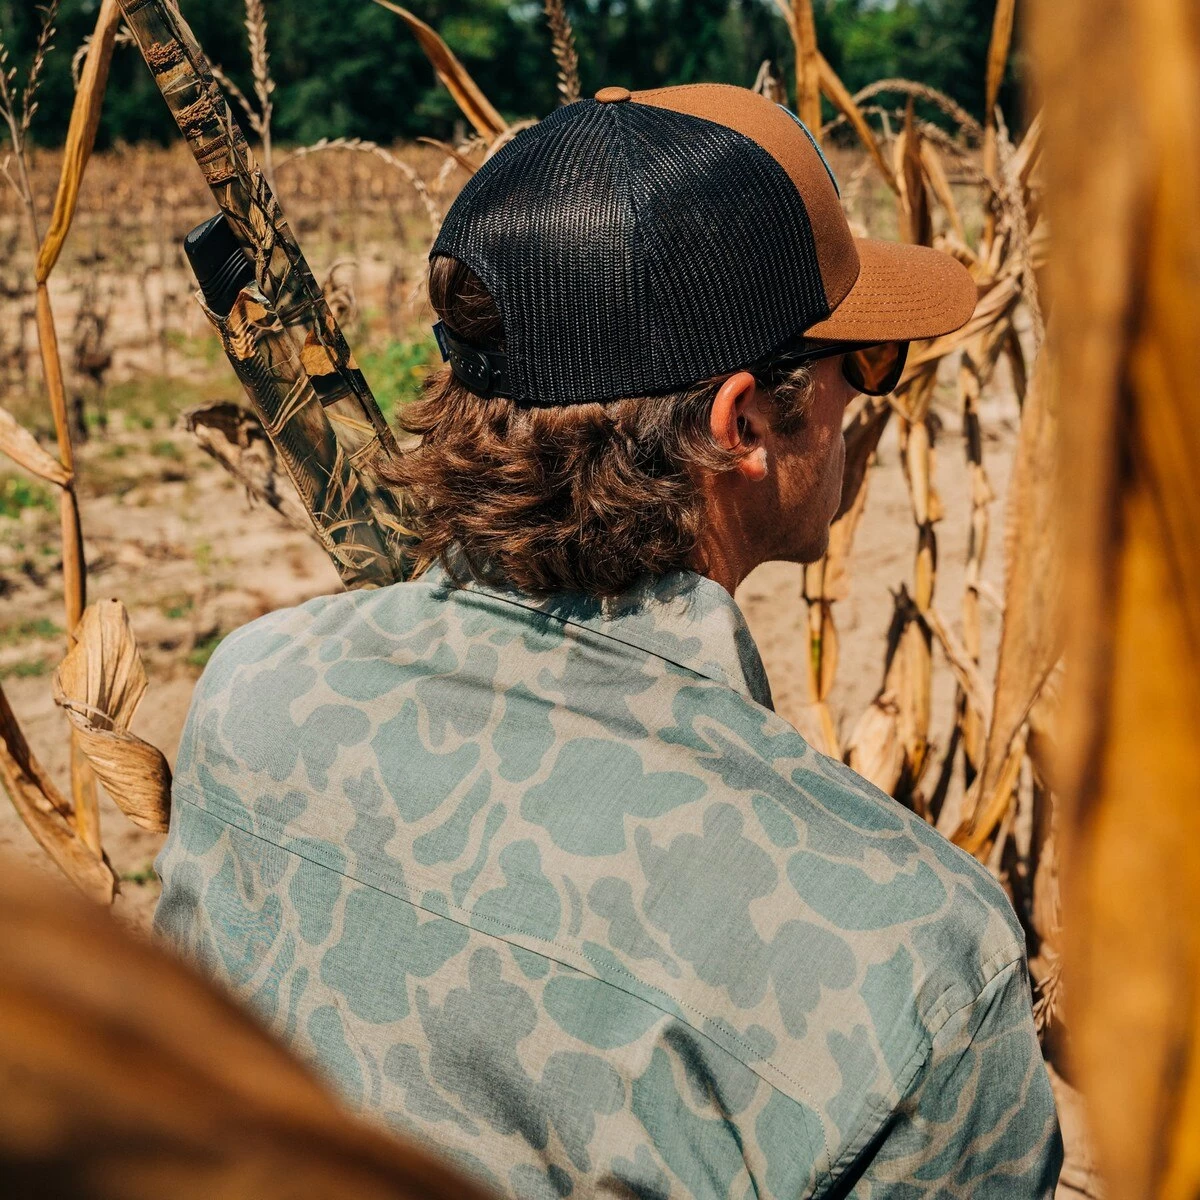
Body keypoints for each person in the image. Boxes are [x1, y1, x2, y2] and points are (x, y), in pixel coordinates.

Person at [155, 83, 1062, 1197]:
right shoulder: (917, 958)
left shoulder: (254, 697)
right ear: (742, 424)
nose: (862, 401)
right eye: (862, 362)